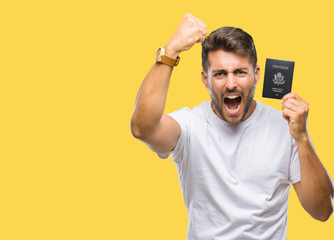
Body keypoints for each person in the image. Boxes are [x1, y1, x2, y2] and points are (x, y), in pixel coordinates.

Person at [130, 13, 334, 239]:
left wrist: (302, 137)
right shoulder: (190, 125)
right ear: (205, 79)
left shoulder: (286, 128)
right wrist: (171, 50)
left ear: (256, 75)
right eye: (219, 73)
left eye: (240, 72)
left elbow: (322, 211)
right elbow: (143, 128)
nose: (230, 83)